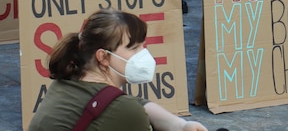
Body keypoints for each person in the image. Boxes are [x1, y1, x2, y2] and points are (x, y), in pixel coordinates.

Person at [26, 8, 207, 131]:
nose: (143, 54)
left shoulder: (65, 86)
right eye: (134, 48)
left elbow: (136, 104)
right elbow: (129, 109)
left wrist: (181, 125)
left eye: (143, 46)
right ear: (103, 57)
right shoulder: (122, 110)